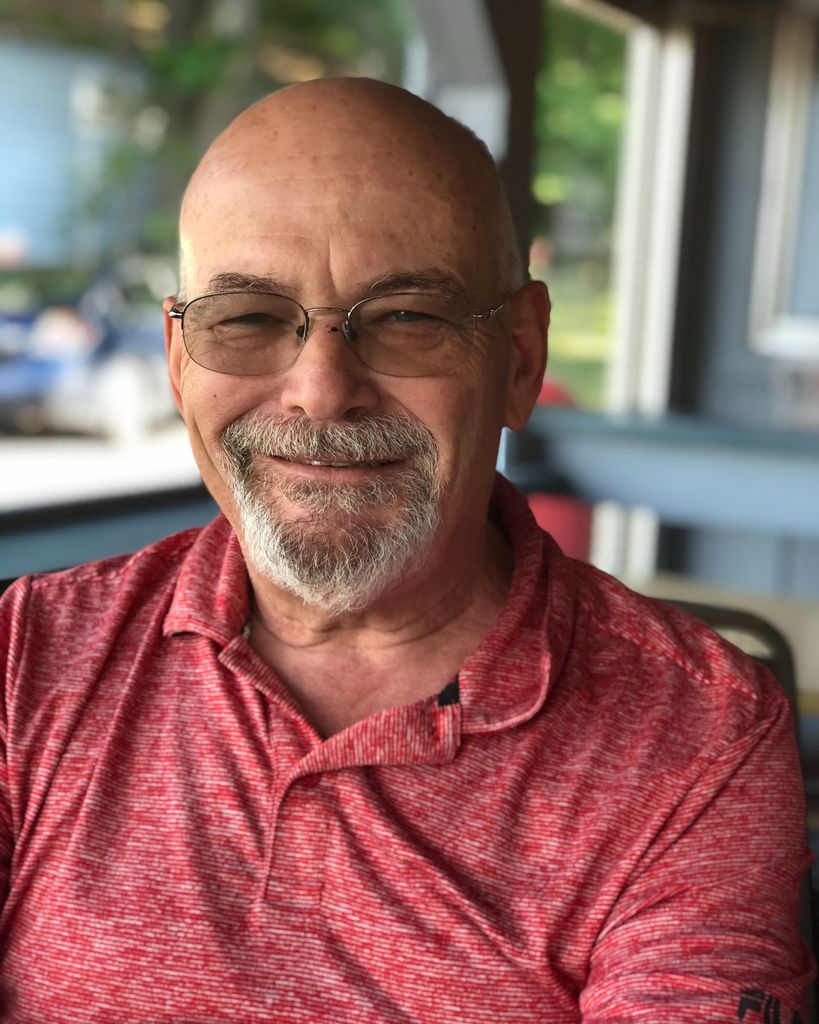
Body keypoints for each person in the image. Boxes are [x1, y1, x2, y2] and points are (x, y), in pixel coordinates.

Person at [0, 78, 812, 1023]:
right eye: (248, 317)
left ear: (519, 358)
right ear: (181, 365)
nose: (320, 390)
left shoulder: (699, 737)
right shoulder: (25, 659)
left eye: (406, 316)